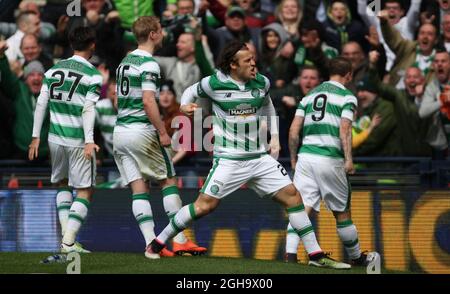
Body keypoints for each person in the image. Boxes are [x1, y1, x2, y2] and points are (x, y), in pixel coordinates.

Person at [146, 40, 350, 270]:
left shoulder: (261, 82)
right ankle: (157, 243)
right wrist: (184, 105)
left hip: (259, 158)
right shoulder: (214, 83)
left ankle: (315, 254)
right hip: (229, 160)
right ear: (233, 65)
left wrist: (274, 137)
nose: (254, 64)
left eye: (253, 59)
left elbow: (268, 106)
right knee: (204, 206)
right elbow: (191, 91)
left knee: (293, 197)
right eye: (248, 61)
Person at [113, 16, 206, 259]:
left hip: (120, 132)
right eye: (161, 30)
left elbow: (118, 99)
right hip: (141, 131)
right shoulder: (149, 63)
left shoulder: (124, 62)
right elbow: (147, 100)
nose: (164, 34)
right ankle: (180, 240)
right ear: (153, 34)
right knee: (168, 181)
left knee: (138, 188)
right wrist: (163, 132)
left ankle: (151, 244)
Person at [287, 57, 380, 266]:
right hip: (329, 158)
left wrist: (293, 158)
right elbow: (345, 129)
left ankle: (290, 255)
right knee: (342, 212)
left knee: (300, 208)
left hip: (305, 157)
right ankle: (356, 257)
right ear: (348, 75)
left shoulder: (309, 96)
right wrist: (349, 160)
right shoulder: (347, 97)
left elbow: (294, 130)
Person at [28, 26, 103, 253]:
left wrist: (35, 137)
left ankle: (66, 240)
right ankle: (68, 241)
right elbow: (88, 108)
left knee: (61, 183)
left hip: (54, 138)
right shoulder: (93, 74)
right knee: (85, 190)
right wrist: (90, 140)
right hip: (78, 140)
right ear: (92, 45)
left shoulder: (52, 71)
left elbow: (41, 104)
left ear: (72, 45)